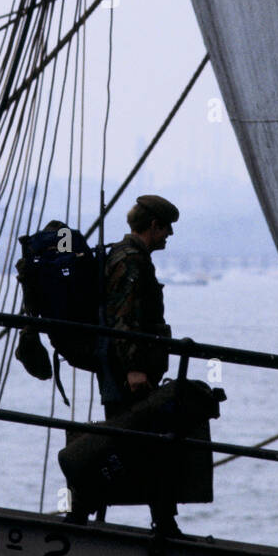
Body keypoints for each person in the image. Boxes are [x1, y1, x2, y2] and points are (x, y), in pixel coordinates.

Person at [95, 194, 180, 536]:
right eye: (166, 228)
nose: (170, 235)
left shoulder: (126, 255)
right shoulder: (131, 260)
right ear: (154, 226)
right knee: (140, 444)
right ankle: (162, 522)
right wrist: (134, 368)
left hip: (123, 370)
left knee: (134, 443)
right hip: (126, 373)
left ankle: (90, 508)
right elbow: (124, 317)